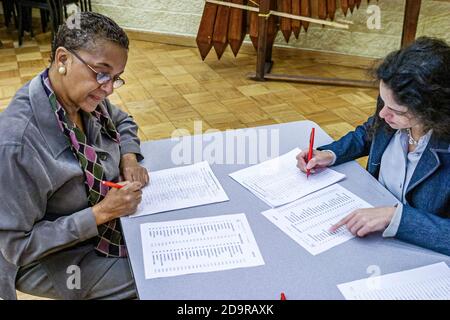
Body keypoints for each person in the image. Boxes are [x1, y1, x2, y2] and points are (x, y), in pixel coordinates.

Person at [0, 12, 149, 300]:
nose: (107, 89)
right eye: (102, 73)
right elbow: (16, 246)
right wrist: (102, 212)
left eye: (116, 79)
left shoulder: (76, 97)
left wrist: (128, 157)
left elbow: (123, 121)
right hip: (52, 257)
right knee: (152, 280)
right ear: (63, 59)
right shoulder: (18, 144)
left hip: (96, 227)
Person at [297, 37, 450, 256]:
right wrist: (329, 154)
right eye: (383, 101)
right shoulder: (393, 104)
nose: (382, 114)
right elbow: (369, 133)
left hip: (415, 253)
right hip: (370, 234)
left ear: (434, 111)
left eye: (396, 111)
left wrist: (394, 217)